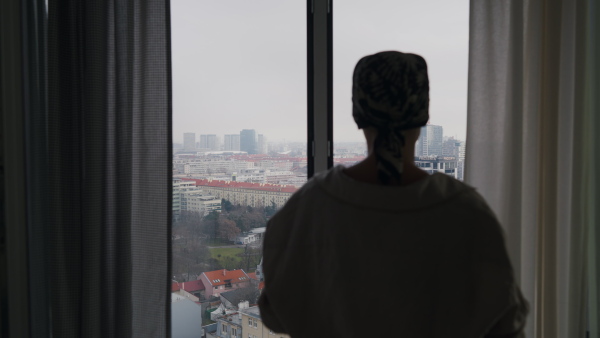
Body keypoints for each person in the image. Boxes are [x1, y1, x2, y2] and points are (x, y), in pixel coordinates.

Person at [258, 51, 528, 337]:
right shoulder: (468, 212)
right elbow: (505, 325)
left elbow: (276, 314)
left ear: (357, 113)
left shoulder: (306, 209)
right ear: (423, 114)